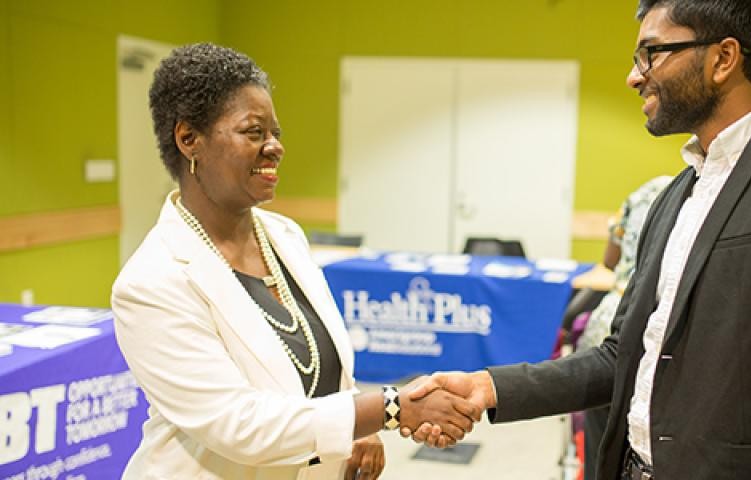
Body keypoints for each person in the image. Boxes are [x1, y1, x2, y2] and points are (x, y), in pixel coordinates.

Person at [406, 1, 751, 479]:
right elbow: (622, 354)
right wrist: (486, 388)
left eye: (652, 52)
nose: (635, 75)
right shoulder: (676, 194)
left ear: (723, 59)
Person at [111, 43, 477, 480]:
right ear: (189, 139)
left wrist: (358, 425)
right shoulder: (151, 282)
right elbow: (240, 425)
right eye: (253, 132)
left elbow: (322, 372)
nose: (274, 147)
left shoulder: (284, 236)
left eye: (275, 133)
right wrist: (388, 409)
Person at [575, 175, 671, 480]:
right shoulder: (686, 196)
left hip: (607, 319)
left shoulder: (639, 194)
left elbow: (609, 260)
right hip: (647, 327)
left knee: (598, 435)